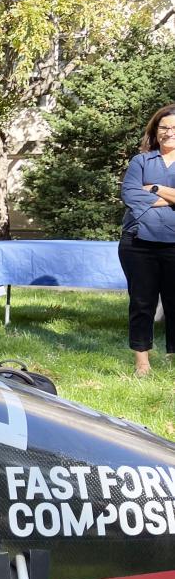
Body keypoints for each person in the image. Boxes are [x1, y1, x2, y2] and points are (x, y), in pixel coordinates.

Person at [119, 103, 175, 376]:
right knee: (142, 303)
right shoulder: (140, 161)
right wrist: (170, 197)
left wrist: (154, 188)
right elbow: (130, 196)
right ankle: (142, 362)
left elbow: (141, 195)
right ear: (155, 131)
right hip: (137, 243)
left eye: (174, 128)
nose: (169, 132)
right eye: (164, 127)